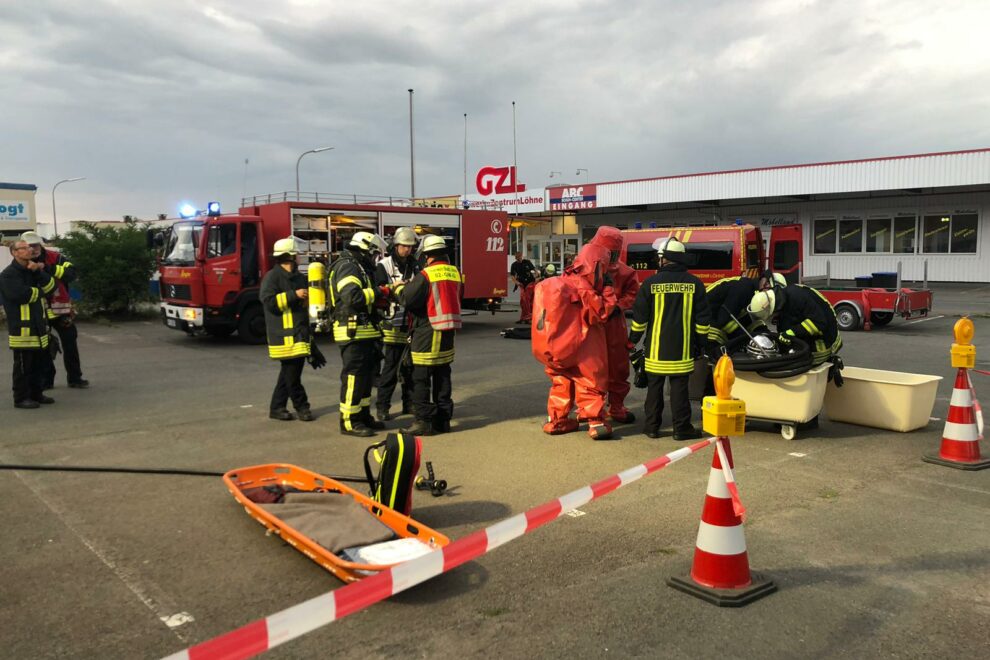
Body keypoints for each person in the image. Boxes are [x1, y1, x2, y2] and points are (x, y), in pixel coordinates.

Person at [628, 237, 711, 440]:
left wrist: (632, 340)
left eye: (661, 257)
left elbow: (639, 319)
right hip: (682, 350)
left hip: (655, 350)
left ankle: (651, 427)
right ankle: (681, 429)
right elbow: (703, 321)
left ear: (665, 259)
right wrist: (701, 344)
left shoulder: (649, 283)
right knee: (679, 391)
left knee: (654, 390)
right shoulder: (695, 284)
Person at [538, 243, 617, 439]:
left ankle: (557, 421)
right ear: (598, 265)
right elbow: (600, 312)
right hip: (583, 345)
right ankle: (596, 422)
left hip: (555, 346)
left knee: (560, 383)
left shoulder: (562, 281)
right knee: (590, 382)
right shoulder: (584, 286)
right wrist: (607, 289)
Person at [393, 234, 462, 436]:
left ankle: (423, 421)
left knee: (420, 378)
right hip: (448, 332)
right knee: (443, 377)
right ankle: (443, 420)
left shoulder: (427, 274)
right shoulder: (455, 272)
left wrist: (398, 289)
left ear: (427, 255)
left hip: (428, 332)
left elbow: (407, 298)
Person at [329, 231, 389, 437]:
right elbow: (351, 297)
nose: (375, 258)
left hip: (365, 331)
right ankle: (349, 421)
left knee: (365, 378)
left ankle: (363, 416)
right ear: (365, 250)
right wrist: (381, 292)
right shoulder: (348, 266)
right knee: (354, 378)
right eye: (373, 253)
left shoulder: (359, 266)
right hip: (352, 331)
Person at [20, 231, 88, 389]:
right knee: (43, 347)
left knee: (70, 343)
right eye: (30, 246)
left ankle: (75, 378)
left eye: (36, 245)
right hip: (38, 312)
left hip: (60, 311)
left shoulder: (55, 257)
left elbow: (71, 274)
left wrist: (48, 268)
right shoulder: (22, 262)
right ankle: (47, 380)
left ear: (40, 244)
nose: (33, 249)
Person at [588, 226, 641, 424]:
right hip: (594, 322)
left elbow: (632, 294)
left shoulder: (625, 272)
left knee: (616, 366)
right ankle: (595, 409)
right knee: (592, 368)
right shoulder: (586, 268)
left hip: (608, 323)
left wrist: (617, 306)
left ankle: (612, 407)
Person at [260, 237, 313, 422]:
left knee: (288, 374)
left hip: (299, 333)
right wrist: (294, 295)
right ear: (289, 256)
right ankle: (302, 407)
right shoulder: (272, 277)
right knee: (292, 376)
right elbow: (269, 302)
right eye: (296, 253)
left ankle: (277, 407)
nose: (298, 257)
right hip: (283, 336)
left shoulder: (299, 277)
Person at [0, 240, 57, 409]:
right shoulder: (8, 274)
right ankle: (21, 398)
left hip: (39, 326)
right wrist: (39, 292)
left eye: (29, 247)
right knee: (24, 366)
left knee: (39, 364)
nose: (29, 250)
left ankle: (36, 394)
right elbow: (20, 295)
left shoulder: (33, 271)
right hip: (22, 329)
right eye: (24, 248)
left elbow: (51, 287)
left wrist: (38, 273)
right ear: (15, 253)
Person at [374, 227, 420, 421]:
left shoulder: (416, 265)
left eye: (410, 247)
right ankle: (382, 408)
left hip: (410, 323)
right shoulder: (384, 266)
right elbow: (378, 291)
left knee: (409, 368)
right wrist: (395, 288)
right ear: (396, 245)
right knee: (390, 369)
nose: (407, 250)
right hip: (392, 323)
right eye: (404, 246)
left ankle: (409, 404)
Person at [748, 277, 842, 368]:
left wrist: (793, 332)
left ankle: (829, 364)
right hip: (822, 329)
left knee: (798, 362)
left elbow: (819, 323)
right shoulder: (785, 296)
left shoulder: (797, 298)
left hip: (824, 341)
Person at [509, 251, 539, 323]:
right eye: (517, 257)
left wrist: (537, 275)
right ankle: (525, 317)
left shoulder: (527, 262)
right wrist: (517, 282)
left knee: (527, 301)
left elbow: (535, 270)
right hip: (522, 284)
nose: (518, 258)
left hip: (530, 283)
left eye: (519, 257)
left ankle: (528, 317)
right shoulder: (514, 265)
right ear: (515, 258)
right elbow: (512, 276)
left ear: (521, 256)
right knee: (524, 301)